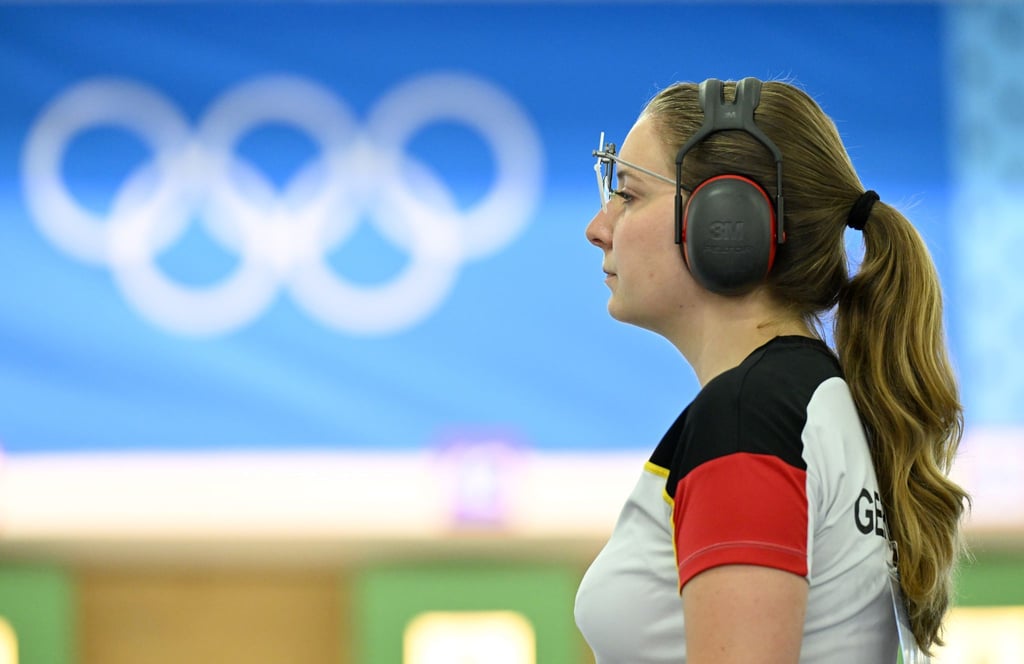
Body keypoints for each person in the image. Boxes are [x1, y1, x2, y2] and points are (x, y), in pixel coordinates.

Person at [573, 77, 970, 664]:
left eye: (628, 194)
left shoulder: (748, 416)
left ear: (724, 219)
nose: (597, 227)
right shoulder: (803, 399)